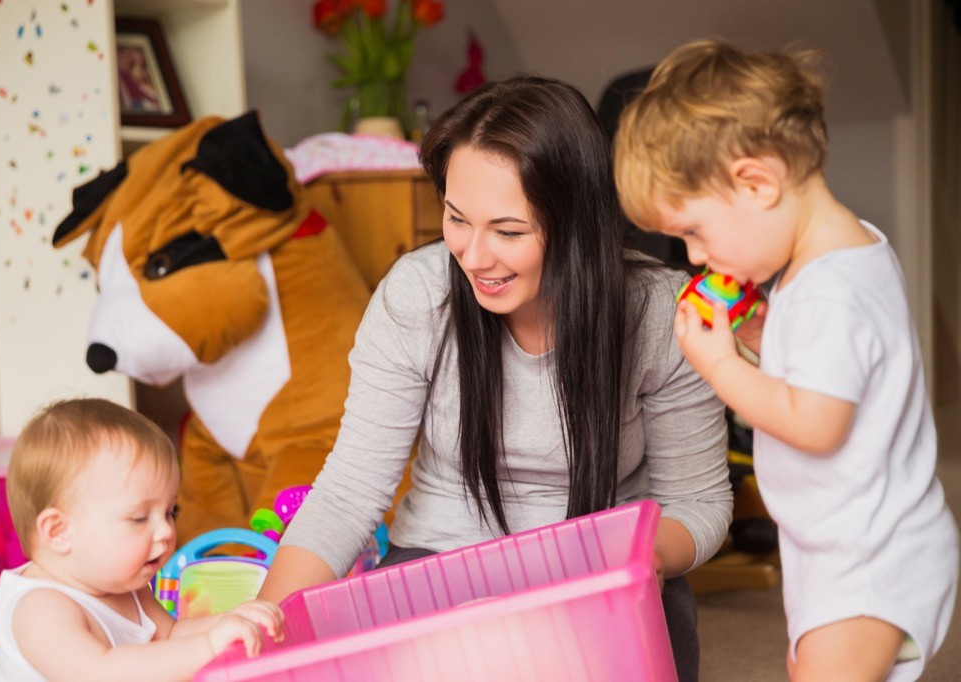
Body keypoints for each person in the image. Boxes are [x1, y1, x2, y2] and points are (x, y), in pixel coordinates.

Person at [258, 75, 733, 681]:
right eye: (457, 218)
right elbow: (350, 491)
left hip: (605, 575)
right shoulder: (419, 293)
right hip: (438, 564)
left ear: (579, 225)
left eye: (509, 232)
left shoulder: (660, 311)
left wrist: (632, 561)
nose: (474, 256)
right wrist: (261, 627)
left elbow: (700, 502)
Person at [614, 39, 959, 681]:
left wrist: (721, 365)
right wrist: (766, 341)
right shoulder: (831, 263)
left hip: (870, 558)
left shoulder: (831, 291)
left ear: (757, 182)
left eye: (695, 230)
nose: (692, 257)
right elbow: (833, 378)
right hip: (841, 546)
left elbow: (819, 422)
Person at [0, 398, 284, 682]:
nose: (166, 531)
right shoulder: (39, 608)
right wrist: (206, 646)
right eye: (140, 517)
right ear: (59, 532)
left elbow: (171, 635)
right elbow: (101, 673)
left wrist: (226, 623)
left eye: (169, 512)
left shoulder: (128, 584)